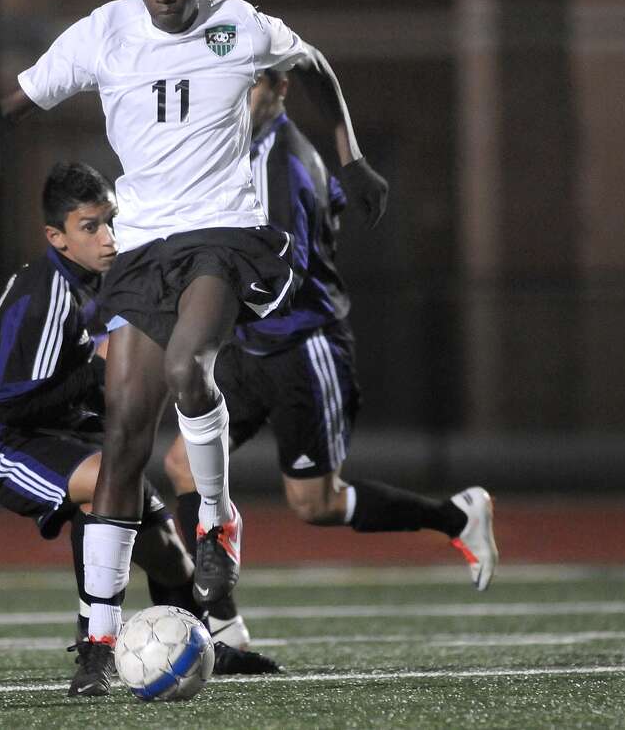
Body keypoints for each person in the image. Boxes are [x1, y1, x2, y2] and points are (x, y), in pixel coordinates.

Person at [0, 0, 388, 691]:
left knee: (188, 368)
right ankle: (98, 644)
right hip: (144, 246)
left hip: (224, 235)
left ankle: (215, 520)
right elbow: (18, 104)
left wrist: (353, 159)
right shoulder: (105, 32)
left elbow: (314, 66)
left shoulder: (241, 27)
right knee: (126, 439)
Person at [163, 71, 498, 638]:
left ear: (280, 89)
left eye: (251, 88)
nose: (237, 101)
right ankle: (223, 623)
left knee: (315, 504)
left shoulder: (283, 166)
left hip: (302, 348)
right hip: (251, 346)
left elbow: (278, 277)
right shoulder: (254, 151)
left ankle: (455, 516)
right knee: (180, 465)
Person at [0, 161, 280, 696]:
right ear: (57, 237)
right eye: (90, 226)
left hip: (75, 439)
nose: (108, 237)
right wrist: (99, 368)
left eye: (111, 221)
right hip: (11, 443)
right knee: (103, 489)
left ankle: (199, 639)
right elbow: (8, 402)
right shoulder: (44, 294)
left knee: (164, 547)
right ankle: (94, 646)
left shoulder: (114, 282)